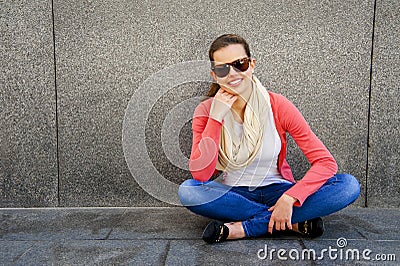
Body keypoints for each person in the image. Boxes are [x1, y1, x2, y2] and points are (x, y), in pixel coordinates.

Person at [178, 34, 360, 244]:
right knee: (189, 191)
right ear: (214, 74)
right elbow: (200, 174)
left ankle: (246, 227)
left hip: (279, 190)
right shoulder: (206, 111)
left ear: (252, 65)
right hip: (235, 195)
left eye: (240, 64)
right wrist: (216, 118)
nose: (233, 73)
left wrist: (290, 198)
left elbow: (326, 163)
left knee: (348, 185)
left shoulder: (277, 105)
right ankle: (290, 222)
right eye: (223, 68)